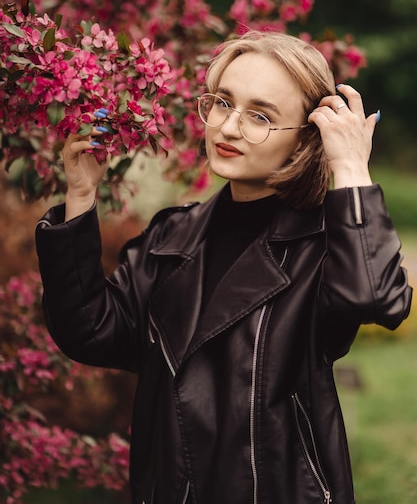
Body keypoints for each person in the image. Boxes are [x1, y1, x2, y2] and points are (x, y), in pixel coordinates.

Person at [36, 31, 412, 504]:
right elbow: (90, 330)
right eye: (221, 102)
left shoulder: (327, 245)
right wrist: (80, 195)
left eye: (260, 116)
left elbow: (378, 298)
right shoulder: (171, 237)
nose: (228, 128)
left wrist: (352, 168)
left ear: (304, 141)